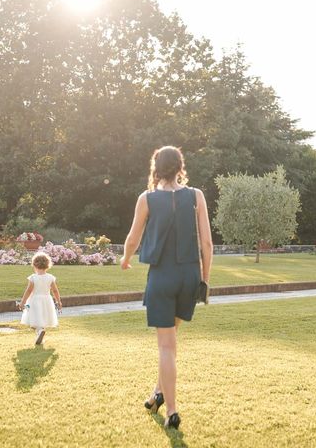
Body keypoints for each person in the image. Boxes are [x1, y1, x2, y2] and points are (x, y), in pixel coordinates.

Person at [121, 146, 213, 430]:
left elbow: (133, 238)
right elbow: (207, 244)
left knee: (165, 345)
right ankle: (157, 395)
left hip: (161, 276)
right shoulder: (196, 196)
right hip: (189, 275)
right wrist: (204, 280)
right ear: (180, 167)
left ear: (156, 167)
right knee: (171, 343)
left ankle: (172, 410)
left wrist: (125, 259)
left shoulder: (146, 198)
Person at [17, 252, 62, 345]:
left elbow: (29, 291)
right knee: (43, 317)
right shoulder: (50, 278)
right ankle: (40, 332)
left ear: (34, 265)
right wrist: (59, 301)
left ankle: (39, 331)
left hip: (34, 300)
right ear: (47, 265)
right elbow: (55, 291)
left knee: (33, 319)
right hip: (47, 300)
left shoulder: (33, 277)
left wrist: (22, 302)